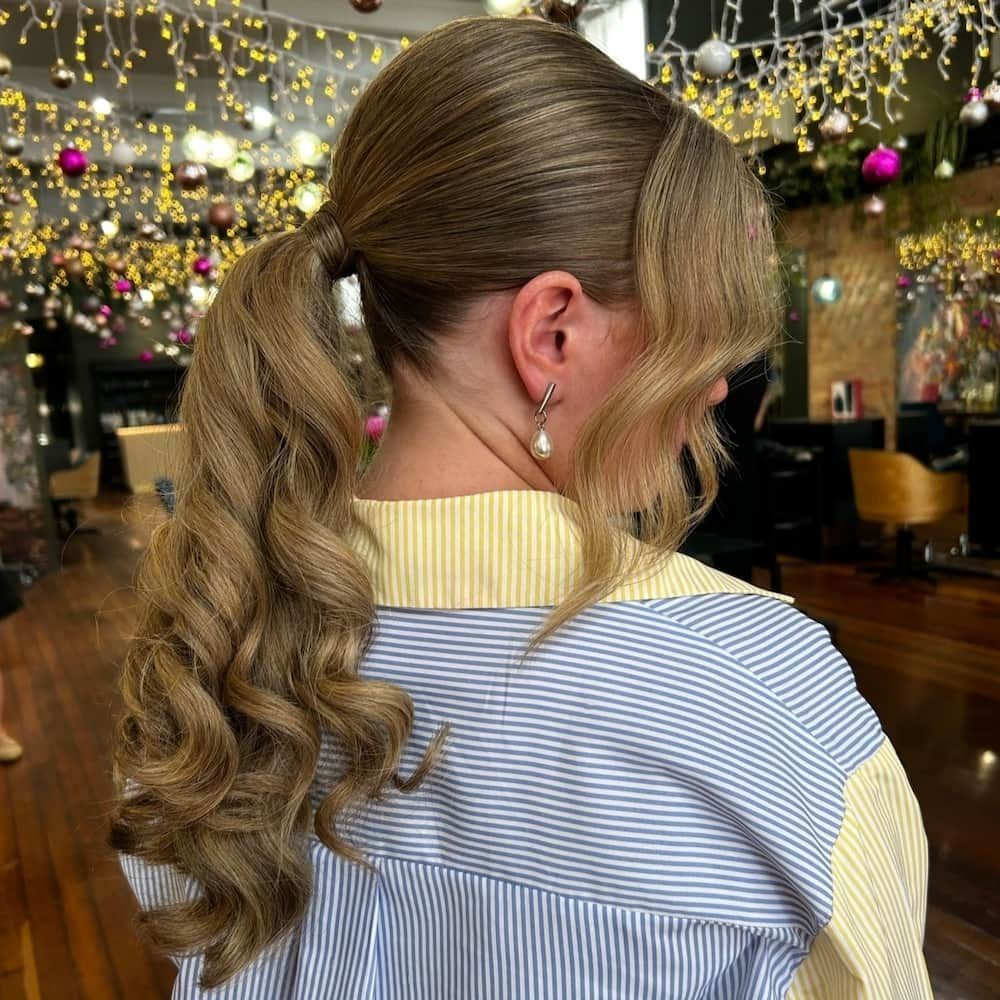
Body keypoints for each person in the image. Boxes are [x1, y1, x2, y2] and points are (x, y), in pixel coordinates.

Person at [111, 17, 931, 999]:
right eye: (700, 338)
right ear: (552, 332)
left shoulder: (217, 640)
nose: (716, 388)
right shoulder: (754, 683)